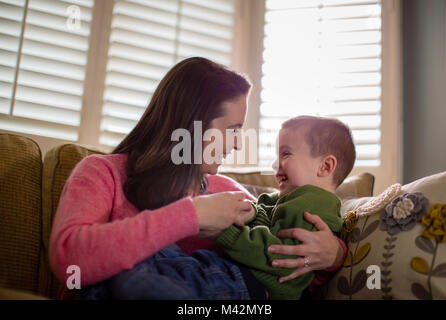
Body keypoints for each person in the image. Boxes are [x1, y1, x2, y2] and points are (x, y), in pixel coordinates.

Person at [49, 57, 347, 300]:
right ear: (193, 127)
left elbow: (279, 252)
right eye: (232, 129)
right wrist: (191, 215)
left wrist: (333, 255)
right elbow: (71, 262)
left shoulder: (230, 194)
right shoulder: (103, 173)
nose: (238, 144)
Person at [216, 116, 356, 299]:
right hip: (234, 273)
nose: (275, 165)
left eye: (286, 154)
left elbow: (281, 257)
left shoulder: (317, 206)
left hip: (251, 285)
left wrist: (226, 233)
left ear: (325, 166)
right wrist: (252, 213)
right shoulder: (288, 198)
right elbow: (265, 220)